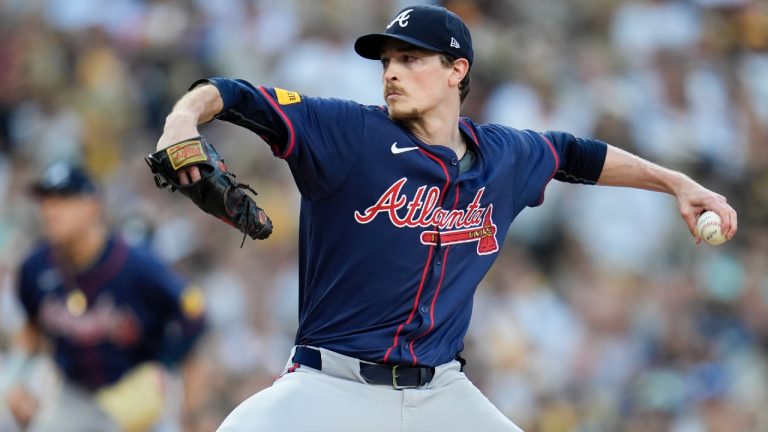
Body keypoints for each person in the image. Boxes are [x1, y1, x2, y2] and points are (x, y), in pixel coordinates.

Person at [155, 5, 737, 431]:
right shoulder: (349, 133)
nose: (391, 72)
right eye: (386, 61)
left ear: (457, 71)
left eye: (409, 59)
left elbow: (579, 155)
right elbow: (233, 93)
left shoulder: (505, 155)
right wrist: (183, 120)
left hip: (442, 396)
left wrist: (676, 183)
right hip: (328, 388)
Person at [0, 161, 206, 432]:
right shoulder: (35, 266)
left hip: (135, 391)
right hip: (75, 395)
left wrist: (168, 370)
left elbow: (194, 316)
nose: (49, 210)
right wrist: (14, 381)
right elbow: (32, 329)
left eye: (62, 200)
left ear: (92, 206)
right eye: (45, 201)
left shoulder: (136, 265)